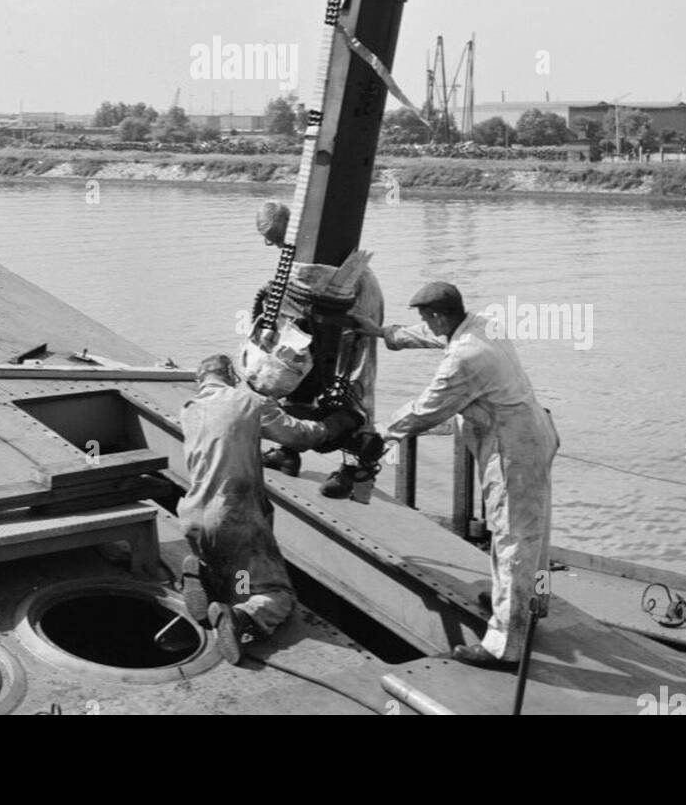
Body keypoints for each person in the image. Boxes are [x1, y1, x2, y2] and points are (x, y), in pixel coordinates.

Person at [358, 281, 559, 669]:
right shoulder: (480, 324)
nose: (425, 324)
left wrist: (381, 432)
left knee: (512, 537)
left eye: (425, 318)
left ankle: (505, 645)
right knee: (534, 531)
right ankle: (532, 604)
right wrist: (385, 333)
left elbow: (427, 408)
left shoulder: (466, 358)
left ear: (438, 315)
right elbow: (436, 337)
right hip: (534, 431)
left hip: (513, 450)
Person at [177, 353, 355, 663]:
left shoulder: (189, 410)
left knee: (236, 573)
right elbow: (299, 436)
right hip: (234, 518)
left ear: (199, 381)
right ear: (233, 375)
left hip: (193, 516)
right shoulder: (249, 401)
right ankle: (241, 618)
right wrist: (338, 422)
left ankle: (204, 573)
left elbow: (227, 436)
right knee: (276, 594)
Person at [254, 200, 385, 498]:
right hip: (321, 306)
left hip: (354, 302)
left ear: (291, 226)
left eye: (275, 239)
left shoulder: (318, 246)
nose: (270, 245)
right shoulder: (297, 253)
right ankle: (287, 451)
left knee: (355, 381)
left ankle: (356, 467)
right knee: (295, 369)